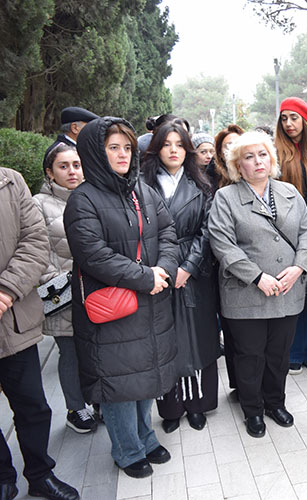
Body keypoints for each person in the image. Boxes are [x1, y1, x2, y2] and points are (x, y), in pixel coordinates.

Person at [63, 117, 179, 479]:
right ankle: (127, 450)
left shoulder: (142, 190)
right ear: (96, 152)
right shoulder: (83, 200)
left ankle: (145, 438)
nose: (122, 154)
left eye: (127, 147)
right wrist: (146, 276)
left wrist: (164, 269)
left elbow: (169, 232)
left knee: (145, 376)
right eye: (113, 147)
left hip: (150, 301)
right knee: (118, 385)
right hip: (114, 308)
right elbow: (94, 255)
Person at [208, 131, 307, 438]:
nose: (257, 162)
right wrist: (256, 276)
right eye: (248, 157)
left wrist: (299, 267)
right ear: (237, 166)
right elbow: (223, 244)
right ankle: (253, 410)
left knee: (279, 354)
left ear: (271, 159)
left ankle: (275, 402)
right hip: (246, 293)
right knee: (250, 356)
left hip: (287, 290)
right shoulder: (226, 198)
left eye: (262, 155)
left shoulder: (289, 192)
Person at [0, 167, 80, 500]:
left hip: (13, 318)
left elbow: (35, 241)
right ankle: (3, 477)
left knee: (33, 405)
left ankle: (39, 472)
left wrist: (6, 291)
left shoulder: (9, 181)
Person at [141, 123, 221, 434]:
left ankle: (198, 404)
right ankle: (170, 406)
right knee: (164, 339)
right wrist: (164, 268)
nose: (173, 149)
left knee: (197, 337)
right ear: (156, 149)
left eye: (179, 144)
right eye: (166, 144)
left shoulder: (201, 185)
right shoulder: (141, 185)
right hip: (157, 268)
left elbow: (207, 230)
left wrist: (187, 267)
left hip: (194, 271)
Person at [33, 144, 97, 434]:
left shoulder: (93, 196)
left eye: (76, 164)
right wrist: (63, 281)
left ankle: (99, 400)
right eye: (63, 166)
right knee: (70, 354)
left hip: (97, 292)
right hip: (63, 295)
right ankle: (76, 407)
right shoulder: (38, 204)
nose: (72, 171)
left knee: (97, 350)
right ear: (50, 172)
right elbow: (36, 252)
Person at [274, 97, 307, 375]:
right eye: (284, 118)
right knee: (291, 293)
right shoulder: (276, 153)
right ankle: (293, 352)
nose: (289, 124)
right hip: (285, 231)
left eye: (294, 118)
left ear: (305, 121)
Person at [210, 124, 244, 398]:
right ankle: (237, 382)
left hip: (250, 270)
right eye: (227, 146)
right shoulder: (209, 180)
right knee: (230, 329)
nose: (233, 149)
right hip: (217, 265)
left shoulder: (255, 180)